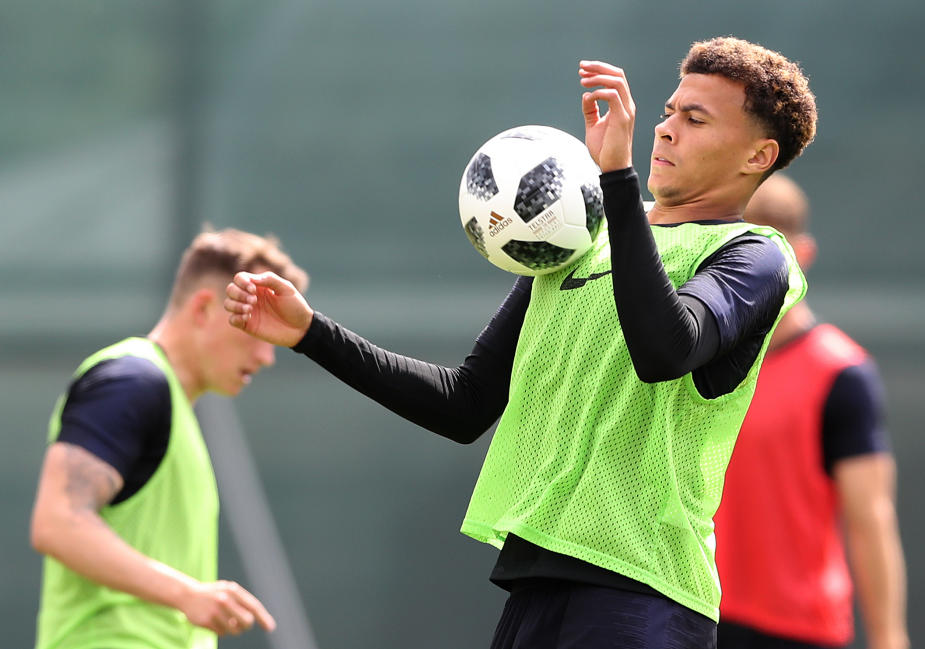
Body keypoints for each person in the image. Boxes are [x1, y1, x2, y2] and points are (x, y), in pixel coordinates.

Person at [224, 36, 816, 648]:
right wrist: (310, 333)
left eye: (695, 119)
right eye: (668, 112)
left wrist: (616, 177)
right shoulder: (584, 235)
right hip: (534, 584)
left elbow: (663, 351)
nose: (666, 131)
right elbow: (465, 403)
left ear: (758, 155)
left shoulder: (755, 255)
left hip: (645, 597)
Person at [30, 228, 308, 649]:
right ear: (203, 308)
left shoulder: (173, 407)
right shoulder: (132, 382)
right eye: (256, 329)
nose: (267, 355)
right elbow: (58, 522)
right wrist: (187, 595)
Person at [714, 174, 910, 649]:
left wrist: (888, 638)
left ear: (803, 255)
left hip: (796, 629)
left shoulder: (840, 374)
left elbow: (871, 518)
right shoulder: (697, 357)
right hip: (696, 614)